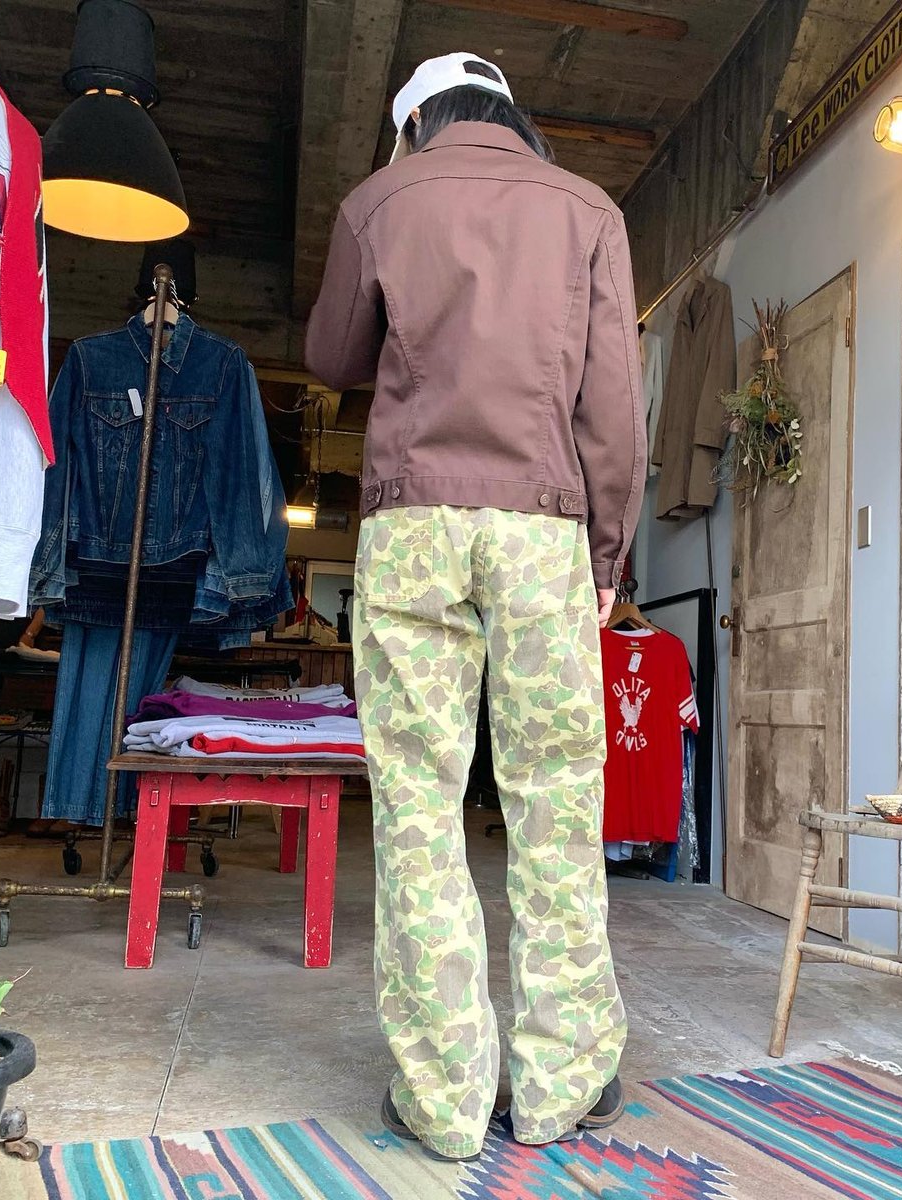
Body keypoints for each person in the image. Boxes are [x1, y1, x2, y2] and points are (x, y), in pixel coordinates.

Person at [305, 51, 646, 1162]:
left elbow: (331, 356)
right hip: (544, 528)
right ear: (512, 113)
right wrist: (606, 550)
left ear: (411, 123)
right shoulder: (590, 210)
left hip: (413, 524)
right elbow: (614, 407)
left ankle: (444, 1098)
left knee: (417, 803)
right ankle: (562, 1084)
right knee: (557, 801)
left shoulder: (378, 199)